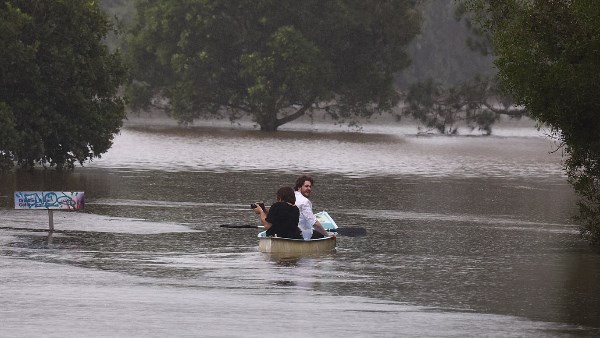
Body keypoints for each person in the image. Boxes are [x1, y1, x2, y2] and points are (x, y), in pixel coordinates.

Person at [294, 175, 334, 240]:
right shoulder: (304, 201)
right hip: (302, 234)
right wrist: (327, 234)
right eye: (306, 186)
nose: (309, 189)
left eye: (310, 186)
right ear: (299, 187)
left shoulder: (291, 196)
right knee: (321, 234)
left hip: (289, 232)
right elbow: (314, 223)